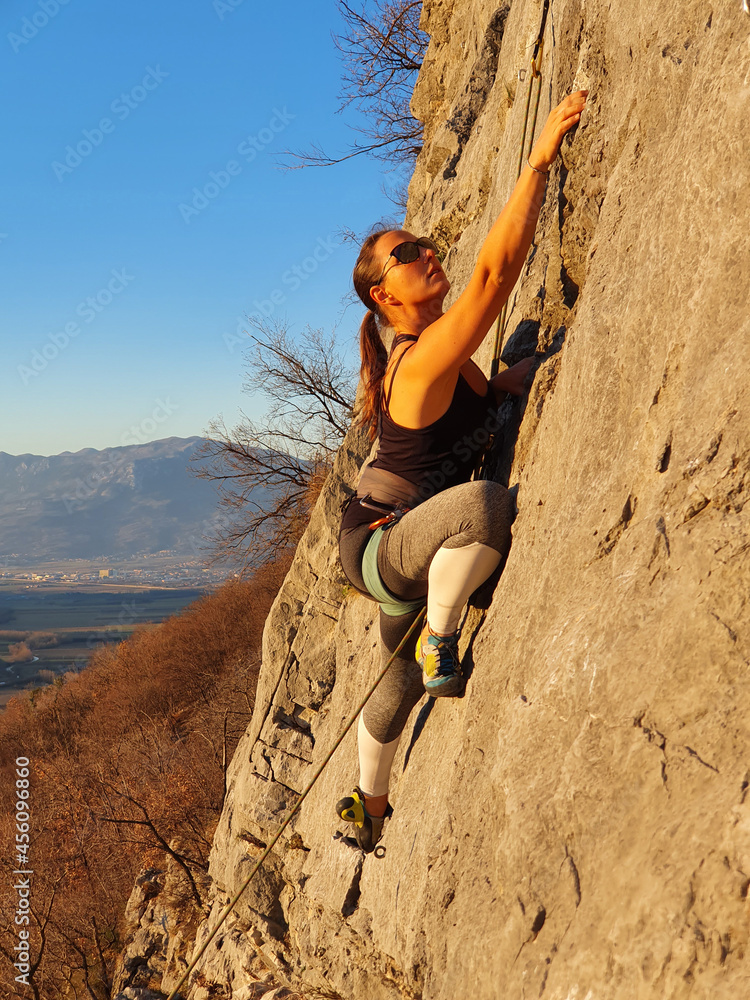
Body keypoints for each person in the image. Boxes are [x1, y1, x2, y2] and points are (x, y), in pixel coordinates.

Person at [336, 90, 589, 852]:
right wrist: (539, 162)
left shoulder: (451, 363)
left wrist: (519, 377)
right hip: (386, 543)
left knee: (396, 690)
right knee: (485, 506)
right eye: (407, 255)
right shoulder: (416, 364)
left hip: (410, 548)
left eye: (424, 244)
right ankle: (438, 634)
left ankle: (367, 807)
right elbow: (492, 279)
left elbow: (491, 390)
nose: (428, 254)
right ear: (385, 294)